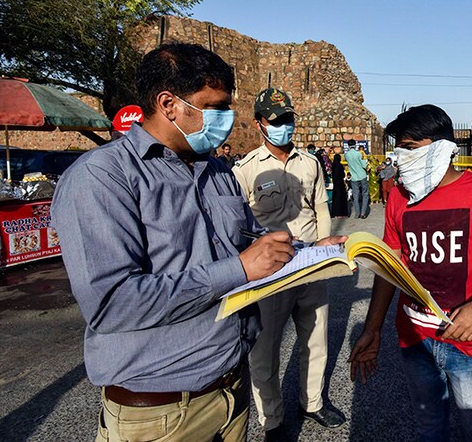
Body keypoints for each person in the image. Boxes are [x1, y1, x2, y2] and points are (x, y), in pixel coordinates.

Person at [51, 43, 310, 441]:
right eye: (215, 107)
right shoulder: (102, 177)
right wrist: (239, 269)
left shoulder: (216, 170)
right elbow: (112, 303)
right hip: (161, 412)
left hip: (232, 387)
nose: (226, 119)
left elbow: (247, 240)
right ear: (168, 104)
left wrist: (311, 251)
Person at [348, 105, 472, 442]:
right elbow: (391, 266)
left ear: (442, 147)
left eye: (410, 147)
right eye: (398, 148)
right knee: (429, 429)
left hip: (469, 340)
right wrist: (373, 328)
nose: (400, 157)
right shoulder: (399, 197)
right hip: (416, 338)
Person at [233, 88, 345, 440]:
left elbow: (320, 207)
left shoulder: (309, 163)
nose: (284, 125)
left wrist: (326, 253)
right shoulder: (246, 170)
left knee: (316, 338)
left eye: (288, 119)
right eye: (276, 120)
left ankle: (312, 402)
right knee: (264, 351)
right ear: (259, 123)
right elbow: (238, 224)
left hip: (310, 265)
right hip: (271, 273)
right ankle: (272, 420)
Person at [345, 139, 369, 218]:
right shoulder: (358, 153)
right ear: (355, 145)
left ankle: (357, 213)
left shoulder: (346, 155)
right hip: (362, 175)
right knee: (365, 194)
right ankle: (363, 213)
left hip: (354, 177)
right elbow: (363, 164)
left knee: (355, 195)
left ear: (348, 146)